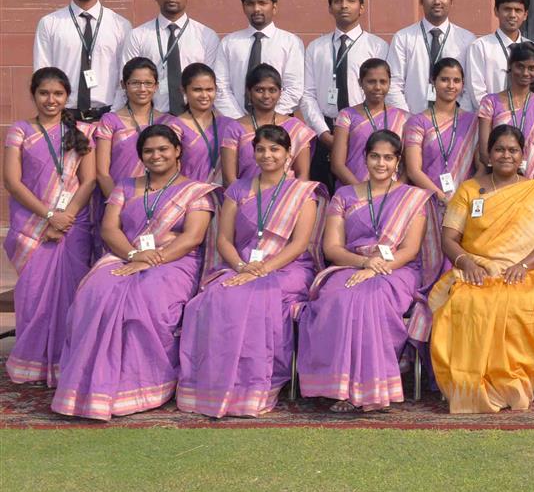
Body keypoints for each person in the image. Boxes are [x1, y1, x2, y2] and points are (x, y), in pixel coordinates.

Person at [52, 125, 216, 421]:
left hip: (175, 262)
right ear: (141, 155)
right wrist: (133, 255)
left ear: (177, 151)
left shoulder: (195, 191)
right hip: (124, 255)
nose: (156, 156)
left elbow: (192, 237)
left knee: (144, 299)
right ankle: (91, 388)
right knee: (95, 292)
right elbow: (109, 228)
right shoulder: (125, 187)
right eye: (149, 151)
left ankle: (143, 386)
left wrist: (153, 259)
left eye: (163, 149)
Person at [177, 125, 325, 418]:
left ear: (288, 154)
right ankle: (216, 384)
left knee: (252, 297)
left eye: (275, 149)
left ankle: (254, 386)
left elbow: (298, 244)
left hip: (288, 268)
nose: (267, 155)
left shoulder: (302, 192)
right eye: (261, 149)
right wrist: (243, 267)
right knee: (212, 299)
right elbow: (224, 240)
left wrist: (263, 269)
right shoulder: (238, 189)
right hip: (240, 264)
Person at [429, 125, 534, 413]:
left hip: (526, 269)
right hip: (475, 267)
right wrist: (466, 262)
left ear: (522, 156)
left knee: (517, 302)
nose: (506, 155)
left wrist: (523, 265)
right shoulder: (468, 189)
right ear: (488, 155)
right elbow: (449, 239)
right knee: (464, 301)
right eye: (500, 149)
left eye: (513, 150)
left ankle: (510, 386)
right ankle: (469, 389)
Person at [298, 130, 433, 412]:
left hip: (397, 269)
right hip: (350, 264)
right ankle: (339, 389)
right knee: (337, 298)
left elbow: (409, 249)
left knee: (370, 299)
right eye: (374, 156)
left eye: (387, 158)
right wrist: (364, 263)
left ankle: (373, 388)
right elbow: (332, 247)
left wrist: (376, 269)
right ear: (365, 158)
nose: (380, 163)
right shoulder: (344, 195)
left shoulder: (412, 198)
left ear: (398, 162)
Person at [4, 68, 97, 385]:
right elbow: (13, 182)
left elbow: (89, 180)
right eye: (44, 93)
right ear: (33, 95)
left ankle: (65, 363)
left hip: (73, 225)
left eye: (58, 94)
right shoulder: (20, 131)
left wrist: (65, 216)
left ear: (67, 96)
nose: (51, 100)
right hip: (32, 225)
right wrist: (48, 216)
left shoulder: (82, 131)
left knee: (71, 295)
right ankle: (31, 365)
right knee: (33, 295)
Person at [299, 0, 389, 190]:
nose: (344, 6)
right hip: (326, 129)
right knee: (325, 191)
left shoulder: (377, 46)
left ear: (362, 7)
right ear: (330, 8)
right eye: (337, 1)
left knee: (364, 188)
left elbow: (385, 91)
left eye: (351, 0)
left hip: (364, 128)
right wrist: (322, 132)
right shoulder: (316, 47)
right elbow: (308, 95)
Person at [32, 0, 131, 124]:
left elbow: (126, 75)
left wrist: (112, 115)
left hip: (108, 118)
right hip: (63, 118)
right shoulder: (49, 23)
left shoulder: (120, 25)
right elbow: (42, 75)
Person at [119, 0, 220, 115]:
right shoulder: (138, 35)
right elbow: (127, 80)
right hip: (150, 118)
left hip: (194, 119)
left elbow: (212, 83)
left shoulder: (207, 36)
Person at [403, 56, 478, 259]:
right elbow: (413, 169)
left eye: (456, 80)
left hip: (465, 200)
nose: (450, 85)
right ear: (433, 82)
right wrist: (441, 196)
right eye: (444, 79)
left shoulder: (473, 122)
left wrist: (463, 198)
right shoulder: (417, 122)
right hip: (427, 200)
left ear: (463, 84)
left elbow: (479, 167)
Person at [386, 0, 478, 114]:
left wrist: (460, 118)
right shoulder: (403, 37)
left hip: (455, 123)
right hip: (412, 119)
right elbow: (393, 84)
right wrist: (408, 119)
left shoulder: (467, 39)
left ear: (451, 0)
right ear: (421, 0)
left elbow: (470, 86)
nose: (437, 1)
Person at [213, 0, 306, 119]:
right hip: (236, 122)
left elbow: (294, 88)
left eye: (262, 3)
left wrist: (270, 117)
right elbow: (221, 87)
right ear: (243, 8)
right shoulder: (229, 43)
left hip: (278, 123)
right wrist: (239, 120)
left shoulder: (291, 42)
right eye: (250, 4)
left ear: (274, 7)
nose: (256, 9)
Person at [476, 41, 534, 181]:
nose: (525, 73)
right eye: (520, 67)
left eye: (531, 68)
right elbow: (484, 152)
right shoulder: (490, 103)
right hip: (498, 183)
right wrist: (507, 180)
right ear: (510, 66)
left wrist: (531, 188)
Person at [221, 63, 316, 185]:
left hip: (287, 198)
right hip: (245, 199)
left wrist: (290, 200)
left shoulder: (296, 128)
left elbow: (303, 175)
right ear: (249, 92)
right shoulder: (234, 128)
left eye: (272, 90)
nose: (266, 96)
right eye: (259, 90)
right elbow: (229, 180)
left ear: (280, 93)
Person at [94, 58, 166, 198]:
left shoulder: (168, 122)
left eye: (148, 83)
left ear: (156, 86)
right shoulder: (109, 121)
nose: (142, 89)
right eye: (135, 83)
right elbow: (102, 173)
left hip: (158, 204)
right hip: (117, 201)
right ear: (123, 85)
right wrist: (120, 205)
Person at [331, 58, 409, 186]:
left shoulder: (402, 118)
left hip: (391, 196)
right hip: (353, 192)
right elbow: (337, 165)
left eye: (383, 82)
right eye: (371, 82)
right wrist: (362, 192)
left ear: (390, 83)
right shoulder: (347, 116)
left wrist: (395, 191)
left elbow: (408, 165)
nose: (377, 87)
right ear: (360, 83)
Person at [163, 62, 240, 184]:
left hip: (224, 198)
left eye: (209, 89)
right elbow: (167, 171)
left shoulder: (229, 126)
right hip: (188, 197)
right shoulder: (174, 128)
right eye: (197, 90)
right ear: (183, 90)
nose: (204, 95)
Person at [466, 0, 533, 108]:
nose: (512, 15)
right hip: (492, 119)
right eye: (507, 9)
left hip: (525, 119)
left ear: (525, 15)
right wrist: (499, 114)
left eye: (518, 10)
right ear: (496, 11)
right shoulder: (480, 47)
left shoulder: (532, 49)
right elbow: (477, 92)